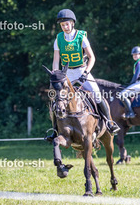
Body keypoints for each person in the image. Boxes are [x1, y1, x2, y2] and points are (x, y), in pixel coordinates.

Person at [44, 9, 120, 141]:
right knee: (57, 99)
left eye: (67, 24)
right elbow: (56, 60)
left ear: (72, 23)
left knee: (97, 94)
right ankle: (55, 130)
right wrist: (56, 74)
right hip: (66, 73)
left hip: (81, 70)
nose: (65, 27)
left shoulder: (81, 37)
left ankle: (109, 122)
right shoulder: (58, 39)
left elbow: (92, 58)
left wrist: (86, 72)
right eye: (62, 25)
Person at [120, 46, 140, 118]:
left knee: (122, 95)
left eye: (136, 54)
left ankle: (131, 112)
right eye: (133, 55)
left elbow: (136, 76)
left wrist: (130, 84)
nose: (134, 56)